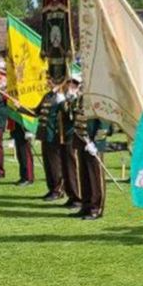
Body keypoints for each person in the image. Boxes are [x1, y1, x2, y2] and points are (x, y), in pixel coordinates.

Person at [76, 116, 112, 221]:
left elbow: (104, 123)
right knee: (84, 175)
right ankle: (86, 206)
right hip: (82, 139)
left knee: (95, 177)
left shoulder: (98, 99)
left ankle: (96, 208)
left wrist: (97, 143)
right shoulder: (81, 99)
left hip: (94, 143)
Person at [58, 74, 84, 211]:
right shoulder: (68, 98)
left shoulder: (77, 99)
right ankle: (71, 195)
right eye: (69, 83)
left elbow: (70, 114)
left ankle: (78, 196)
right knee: (66, 168)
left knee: (73, 168)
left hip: (73, 137)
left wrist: (66, 101)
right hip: (63, 136)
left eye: (74, 83)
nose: (70, 86)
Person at [36, 85, 66, 201]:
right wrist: (20, 107)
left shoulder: (62, 97)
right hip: (45, 133)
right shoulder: (48, 95)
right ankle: (51, 188)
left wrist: (62, 100)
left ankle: (58, 190)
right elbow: (37, 111)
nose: (49, 82)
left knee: (55, 164)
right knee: (48, 164)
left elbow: (66, 112)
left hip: (55, 134)